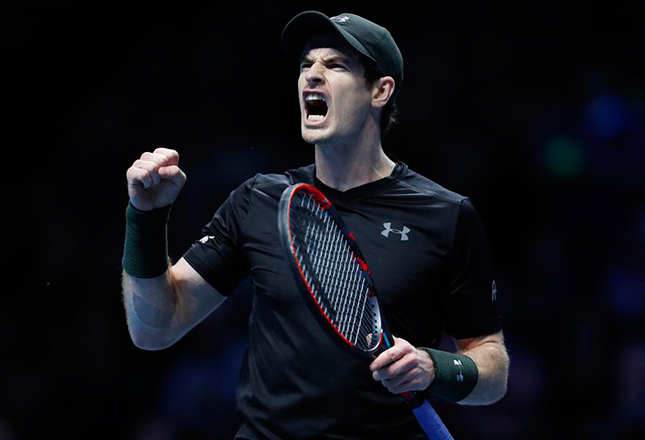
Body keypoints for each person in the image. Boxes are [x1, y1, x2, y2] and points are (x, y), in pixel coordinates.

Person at [121, 11, 509, 440]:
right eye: (306, 64)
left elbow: (492, 369)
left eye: (335, 65)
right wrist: (146, 216)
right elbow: (155, 328)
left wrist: (434, 367)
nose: (312, 74)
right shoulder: (259, 200)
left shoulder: (445, 214)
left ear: (380, 91)